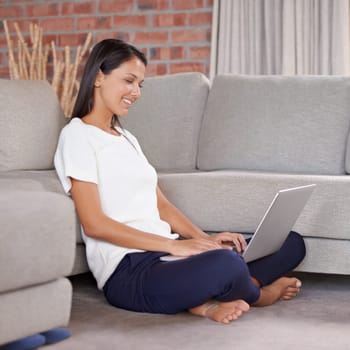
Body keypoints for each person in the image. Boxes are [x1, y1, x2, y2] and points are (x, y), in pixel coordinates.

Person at [54, 39, 306, 325]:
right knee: (226, 263)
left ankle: (218, 292)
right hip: (129, 272)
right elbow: (94, 224)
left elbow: (161, 205)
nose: (135, 92)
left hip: (166, 255)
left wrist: (203, 239)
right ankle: (258, 294)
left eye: (140, 85)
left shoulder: (126, 138)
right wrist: (174, 246)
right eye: (129, 80)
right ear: (99, 76)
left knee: (290, 243)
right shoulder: (77, 136)